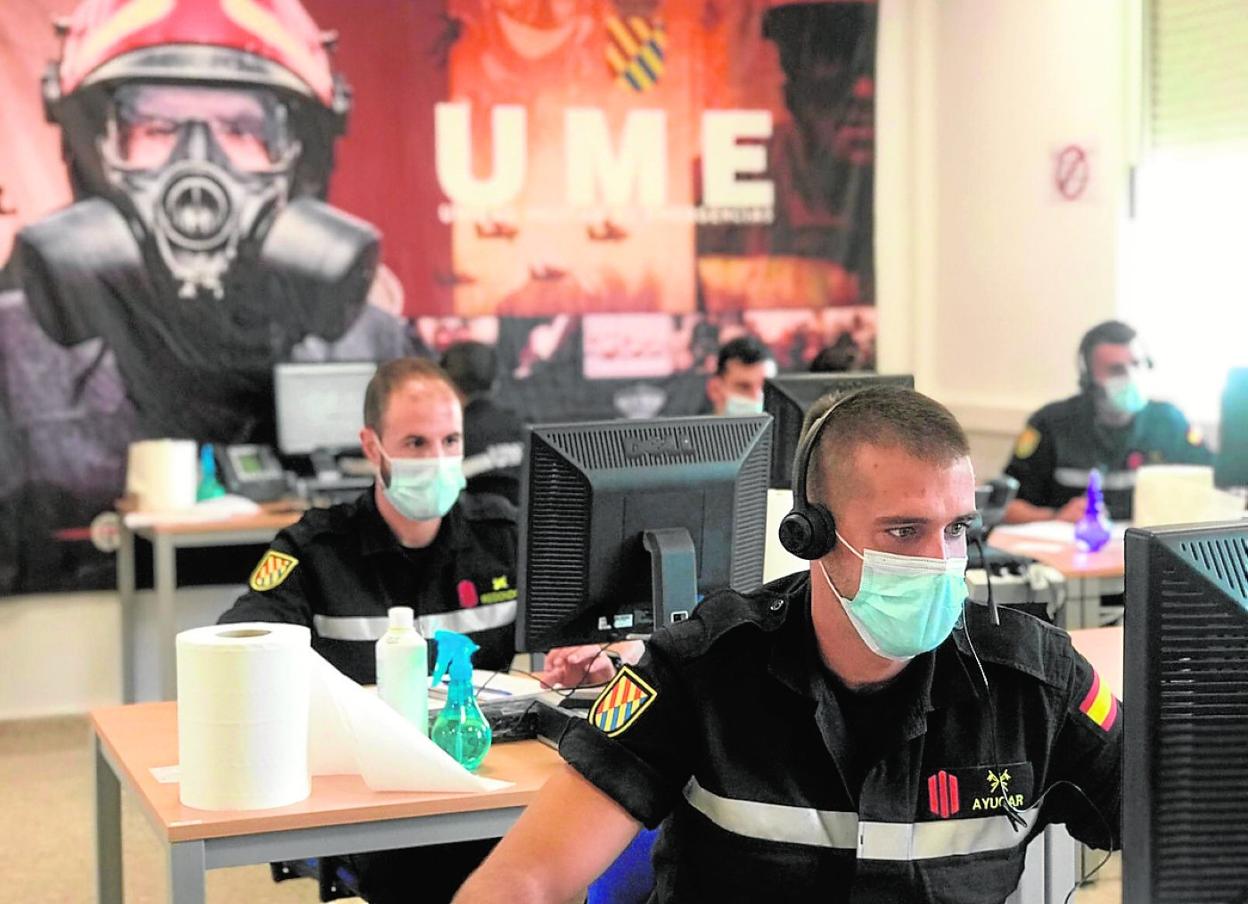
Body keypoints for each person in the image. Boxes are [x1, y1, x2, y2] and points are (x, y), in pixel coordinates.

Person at [454, 386, 1122, 903]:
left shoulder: (1034, 681)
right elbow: (524, 880)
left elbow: (1191, 828)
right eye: (903, 532)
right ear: (811, 535)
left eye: (956, 531)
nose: (939, 561)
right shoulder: (699, 673)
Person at [0, 0, 410, 594]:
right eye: (157, 128)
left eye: (243, 130)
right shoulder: (12, 350)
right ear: (92, 147)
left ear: (299, 156)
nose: (199, 172)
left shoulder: (369, 338)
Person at [220, 357, 633, 903]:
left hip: (485, 771)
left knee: (563, 854)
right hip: (377, 793)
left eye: (450, 441)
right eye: (415, 443)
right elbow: (243, 639)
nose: (437, 460)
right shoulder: (315, 549)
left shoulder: (503, 536)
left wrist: (588, 655)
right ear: (373, 448)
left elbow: (584, 629)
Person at [1004, 320, 1212, 523]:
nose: (1131, 378)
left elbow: (1218, 489)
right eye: (1116, 370)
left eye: (1137, 365)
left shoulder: (1170, 422)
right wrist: (1057, 517)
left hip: (1151, 548)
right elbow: (1006, 507)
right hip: (1074, 548)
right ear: (1088, 378)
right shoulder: (1050, 423)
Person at [440, 341, 526, 505]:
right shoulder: (524, 431)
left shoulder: (442, 441)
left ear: (446, 386)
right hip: (524, 528)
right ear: (495, 383)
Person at [705, 335, 774, 416]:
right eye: (744, 387)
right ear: (715, 390)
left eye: (766, 389)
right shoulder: (691, 428)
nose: (756, 398)